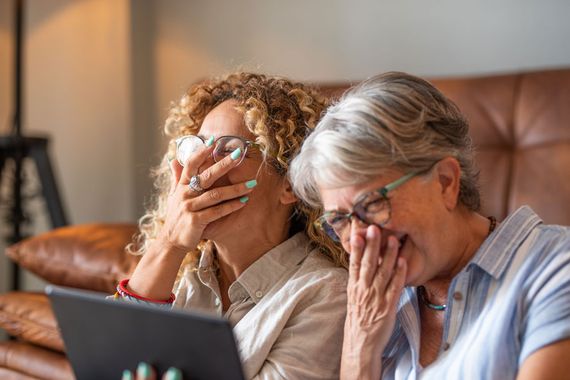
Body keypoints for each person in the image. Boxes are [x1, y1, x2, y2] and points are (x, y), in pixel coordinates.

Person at [289, 71, 570, 379]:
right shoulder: (370, 308)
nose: (358, 238)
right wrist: (360, 346)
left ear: (445, 182)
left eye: (371, 204)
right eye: (340, 220)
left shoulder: (554, 267)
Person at [117, 72, 348, 380]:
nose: (201, 170)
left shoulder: (325, 293)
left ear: (291, 184)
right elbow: (111, 359)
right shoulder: (179, 272)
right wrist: (168, 242)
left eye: (229, 150)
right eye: (197, 148)